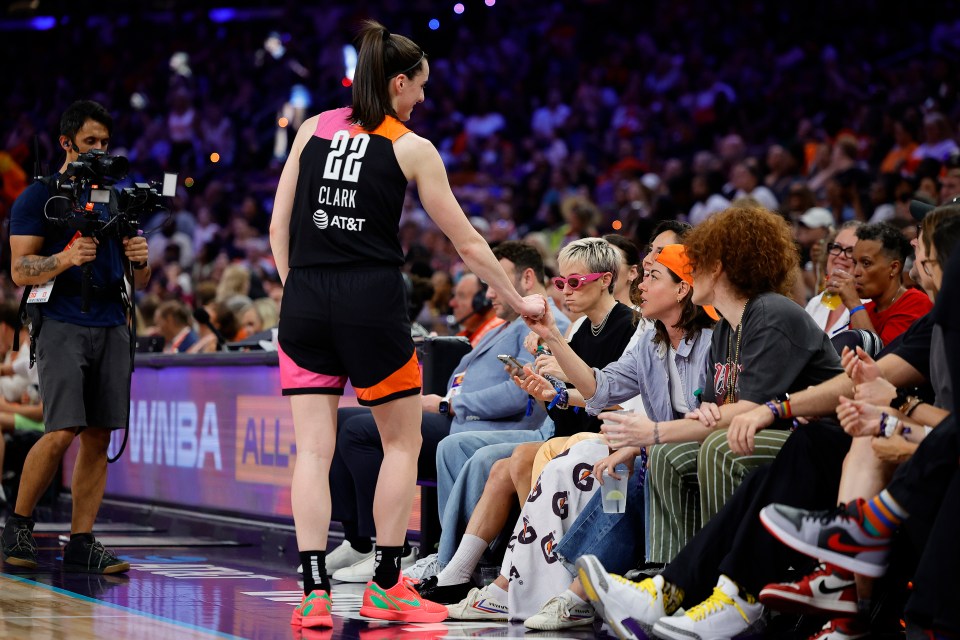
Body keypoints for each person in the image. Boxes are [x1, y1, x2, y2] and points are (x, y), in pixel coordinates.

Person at [269, 21, 545, 629]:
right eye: (419, 87)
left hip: (306, 296)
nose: (422, 99)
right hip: (369, 298)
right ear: (398, 82)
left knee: (312, 451)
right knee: (402, 441)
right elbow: (470, 245)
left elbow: (277, 227)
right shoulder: (411, 146)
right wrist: (517, 302)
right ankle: (388, 583)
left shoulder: (314, 128)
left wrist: (299, 291)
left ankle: (313, 593)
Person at [442, 244, 716, 630]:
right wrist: (553, 337)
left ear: (683, 289)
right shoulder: (651, 340)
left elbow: (706, 418)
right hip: (639, 443)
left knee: (588, 464)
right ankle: (513, 587)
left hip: (667, 447)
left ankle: (573, 594)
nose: (639, 285)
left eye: (652, 277)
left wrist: (641, 442)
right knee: (563, 467)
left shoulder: (709, 340)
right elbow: (600, 387)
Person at [327, 242, 564, 584]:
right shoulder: (503, 324)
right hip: (459, 417)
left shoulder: (542, 322)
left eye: (494, 282)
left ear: (527, 278)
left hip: (482, 423)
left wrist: (449, 403)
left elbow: (521, 390)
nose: (488, 293)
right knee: (344, 420)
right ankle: (359, 540)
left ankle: (387, 547)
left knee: (358, 432)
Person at [0, 100, 151, 574]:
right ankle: (19, 524)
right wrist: (65, 259)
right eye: (91, 142)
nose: (100, 151)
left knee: (99, 433)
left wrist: (141, 259)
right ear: (67, 143)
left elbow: (140, 280)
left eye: (106, 142)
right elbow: (20, 270)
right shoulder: (39, 197)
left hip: (111, 319)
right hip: (62, 319)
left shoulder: (118, 197)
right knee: (62, 427)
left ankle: (82, 540)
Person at [829, 222, 932, 345]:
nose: (855, 272)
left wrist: (854, 303)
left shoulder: (916, 303)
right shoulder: (866, 310)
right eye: (855, 263)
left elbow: (879, 360)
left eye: (866, 263)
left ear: (893, 268)